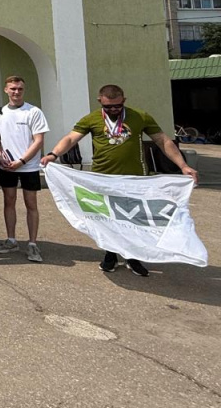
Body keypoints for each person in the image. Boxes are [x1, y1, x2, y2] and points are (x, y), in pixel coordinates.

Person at [40, 84, 197, 276]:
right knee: (106, 220)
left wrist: (183, 165)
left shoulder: (140, 116)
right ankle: (110, 255)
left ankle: (133, 257)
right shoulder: (91, 119)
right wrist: (53, 154)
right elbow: (71, 139)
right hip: (102, 180)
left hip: (134, 180)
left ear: (124, 100)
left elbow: (162, 140)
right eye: (108, 107)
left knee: (134, 220)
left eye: (118, 105)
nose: (113, 109)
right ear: (100, 101)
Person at [0, 76, 50, 262]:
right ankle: (11, 240)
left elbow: (38, 141)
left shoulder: (33, 112)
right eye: (13, 89)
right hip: (6, 166)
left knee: (31, 204)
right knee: (9, 202)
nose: (16, 92)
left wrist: (22, 161)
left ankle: (32, 244)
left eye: (20, 89)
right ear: (6, 90)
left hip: (28, 167)